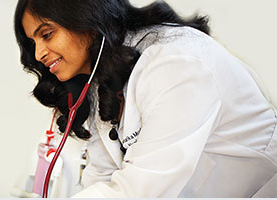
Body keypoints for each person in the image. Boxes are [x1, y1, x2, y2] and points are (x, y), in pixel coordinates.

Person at [14, 0, 277, 198]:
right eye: (32, 42)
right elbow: (101, 176)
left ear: (87, 20)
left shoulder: (175, 61)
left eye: (47, 34)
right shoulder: (103, 79)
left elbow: (143, 188)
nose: (38, 54)